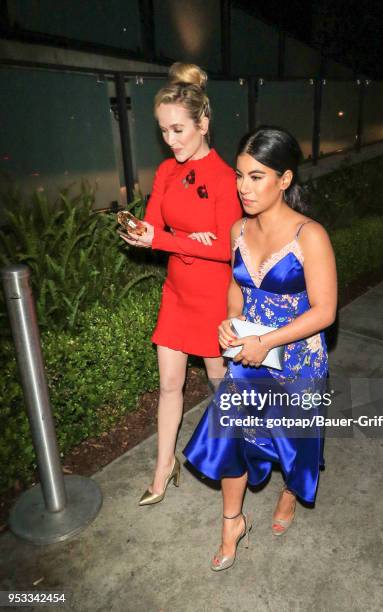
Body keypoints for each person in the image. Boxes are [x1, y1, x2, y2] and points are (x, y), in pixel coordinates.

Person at [183, 126, 337, 571]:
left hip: (297, 359)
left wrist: (264, 341)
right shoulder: (238, 229)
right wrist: (228, 324)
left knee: (295, 441)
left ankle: (290, 491)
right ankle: (232, 522)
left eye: (256, 177)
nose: (243, 187)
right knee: (229, 430)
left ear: (285, 179)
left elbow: (325, 311)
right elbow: (236, 286)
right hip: (248, 356)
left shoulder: (311, 235)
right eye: (239, 175)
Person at [120, 62, 241, 505]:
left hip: (213, 295)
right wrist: (141, 232)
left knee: (220, 384)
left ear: (202, 124)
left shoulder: (226, 178)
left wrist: (172, 239)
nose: (170, 140)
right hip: (177, 293)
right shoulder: (168, 171)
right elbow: (154, 230)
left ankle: (236, 456)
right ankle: (162, 468)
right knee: (169, 385)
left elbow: (228, 249)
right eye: (163, 131)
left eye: (177, 130)